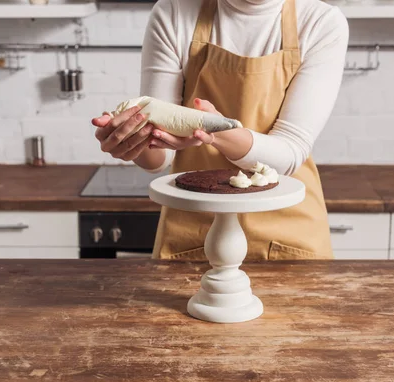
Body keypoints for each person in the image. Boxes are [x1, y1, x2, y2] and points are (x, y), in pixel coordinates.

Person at [92, 0, 349, 261]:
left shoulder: (321, 22)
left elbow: (289, 152)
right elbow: (159, 156)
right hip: (195, 228)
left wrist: (216, 130)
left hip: (288, 229)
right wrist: (133, 143)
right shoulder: (174, 12)